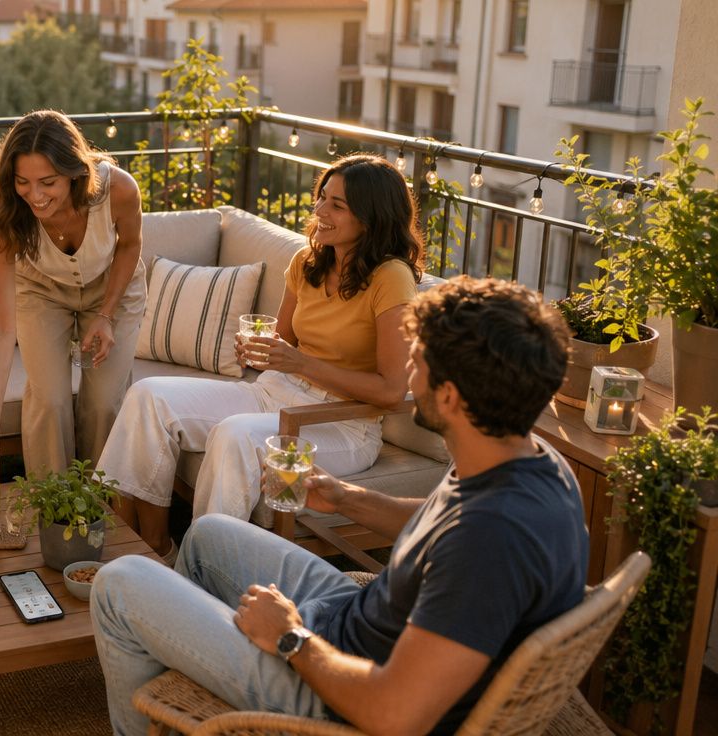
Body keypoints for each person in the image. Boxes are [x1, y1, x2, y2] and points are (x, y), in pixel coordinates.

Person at [91, 276, 587, 735]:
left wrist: (288, 638)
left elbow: (396, 714)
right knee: (207, 535)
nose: (407, 373)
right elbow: (442, 524)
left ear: (451, 396)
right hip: (352, 619)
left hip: (333, 692)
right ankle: (203, 669)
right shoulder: (525, 457)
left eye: (418, 361)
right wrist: (349, 498)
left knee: (119, 583)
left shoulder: (492, 542)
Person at [97, 153, 423, 562]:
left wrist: (299, 362)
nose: (319, 210)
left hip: (340, 423)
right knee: (149, 396)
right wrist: (259, 352)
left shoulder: (391, 277)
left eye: (336, 205)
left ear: (372, 217)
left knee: (236, 435)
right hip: (274, 392)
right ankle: (155, 549)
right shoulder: (307, 262)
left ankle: (204, 570)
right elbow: (282, 342)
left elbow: (393, 392)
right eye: (321, 198)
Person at [0, 110, 147, 474]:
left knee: (103, 403)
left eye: (48, 182)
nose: (34, 196)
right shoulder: (2, 219)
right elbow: (2, 326)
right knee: (49, 401)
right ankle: (54, 509)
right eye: (22, 181)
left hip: (111, 290)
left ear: (74, 172)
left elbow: (130, 246)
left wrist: (106, 315)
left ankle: (100, 505)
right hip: (42, 292)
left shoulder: (119, 189)